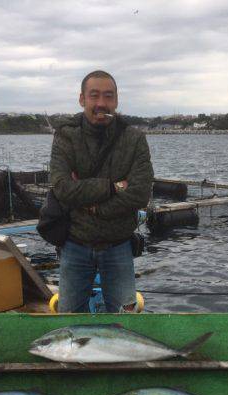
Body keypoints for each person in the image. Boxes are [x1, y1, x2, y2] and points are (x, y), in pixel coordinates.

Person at [50, 70, 154, 313]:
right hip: (74, 243)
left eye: (108, 96)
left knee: (125, 319)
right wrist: (113, 186)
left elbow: (140, 194)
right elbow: (62, 188)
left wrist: (93, 205)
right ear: (81, 99)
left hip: (118, 245)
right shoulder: (66, 134)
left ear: (116, 100)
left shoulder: (134, 138)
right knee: (69, 318)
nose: (101, 104)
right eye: (94, 95)